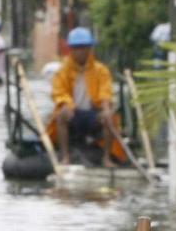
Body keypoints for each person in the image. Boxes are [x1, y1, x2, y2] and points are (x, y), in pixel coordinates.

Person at [49, 27, 124, 165]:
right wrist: (67, 105)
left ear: (89, 49)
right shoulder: (62, 71)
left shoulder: (101, 70)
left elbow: (105, 92)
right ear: (71, 50)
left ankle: (106, 158)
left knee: (109, 117)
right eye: (76, 48)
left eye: (83, 48)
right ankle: (65, 156)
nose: (80, 52)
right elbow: (59, 93)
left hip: (92, 113)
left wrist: (106, 108)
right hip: (73, 113)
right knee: (61, 116)